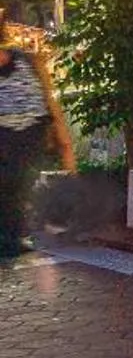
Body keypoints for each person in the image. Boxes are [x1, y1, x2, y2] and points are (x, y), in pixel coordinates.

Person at [0, 17, 74, 258]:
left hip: (32, 133)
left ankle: (13, 236)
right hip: (4, 135)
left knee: (17, 184)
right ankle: (12, 237)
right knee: (10, 184)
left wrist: (62, 136)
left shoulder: (27, 60)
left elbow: (49, 98)